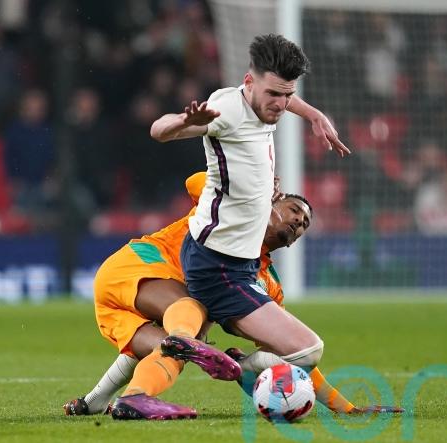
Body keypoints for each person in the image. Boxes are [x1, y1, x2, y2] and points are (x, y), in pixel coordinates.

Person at [64, 172, 399, 419]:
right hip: (137, 265)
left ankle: (121, 399)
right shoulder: (230, 209)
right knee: (190, 316)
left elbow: (294, 352)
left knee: (170, 351)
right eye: (294, 210)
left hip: (121, 310)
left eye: (305, 224)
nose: (299, 221)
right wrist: (252, 187)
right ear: (272, 202)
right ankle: (188, 341)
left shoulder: (267, 284)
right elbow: (195, 182)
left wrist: (346, 408)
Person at [144, 34, 351, 417]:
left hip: (236, 263)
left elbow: (283, 97)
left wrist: (313, 114)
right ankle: (239, 367)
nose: (281, 105)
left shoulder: (269, 103)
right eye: (274, 94)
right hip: (217, 266)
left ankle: (102, 399)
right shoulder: (225, 109)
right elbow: (158, 130)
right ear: (249, 82)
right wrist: (185, 121)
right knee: (308, 350)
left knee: (186, 337)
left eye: (288, 95)